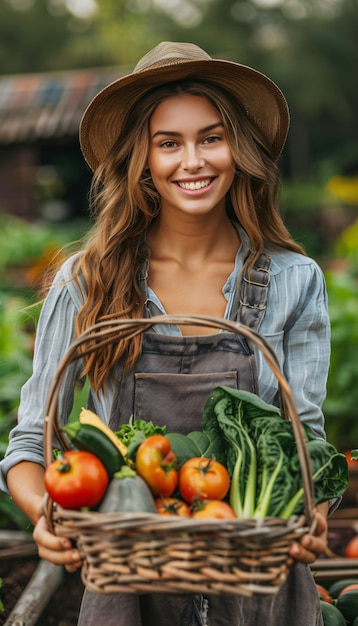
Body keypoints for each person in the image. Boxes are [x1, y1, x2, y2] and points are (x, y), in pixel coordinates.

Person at [0, 41, 331, 626]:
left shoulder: (292, 279)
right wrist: (44, 515)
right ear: (142, 160)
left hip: (259, 584)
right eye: (168, 143)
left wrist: (311, 516)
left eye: (211, 137)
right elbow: (31, 444)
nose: (193, 161)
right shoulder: (88, 281)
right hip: (129, 587)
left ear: (239, 149)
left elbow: (304, 440)